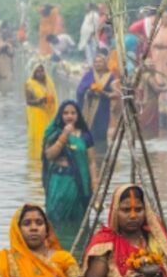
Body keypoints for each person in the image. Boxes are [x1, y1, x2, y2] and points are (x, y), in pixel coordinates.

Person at [41, 100, 98, 250]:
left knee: (78, 219)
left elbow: (91, 161)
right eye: (66, 113)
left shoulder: (85, 136)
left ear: (78, 115)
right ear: (61, 115)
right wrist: (64, 135)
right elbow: (49, 155)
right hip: (58, 183)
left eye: (73, 113)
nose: (69, 116)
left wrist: (94, 182)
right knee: (55, 218)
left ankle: (77, 249)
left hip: (79, 185)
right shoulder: (55, 133)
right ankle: (56, 248)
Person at [76, 50, 119, 147]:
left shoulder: (110, 77)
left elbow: (116, 94)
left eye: (100, 61)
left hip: (102, 110)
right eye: (95, 62)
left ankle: (101, 155)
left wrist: (103, 93)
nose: (97, 64)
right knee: (88, 134)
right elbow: (79, 91)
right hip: (88, 109)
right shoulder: (89, 75)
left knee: (101, 134)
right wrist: (88, 92)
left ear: (105, 63)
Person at [25, 62, 58, 158]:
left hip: (48, 113)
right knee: (38, 138)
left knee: (48, 137)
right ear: (33, 73)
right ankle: (36, 157)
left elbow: (54, 96)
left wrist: (50, 101)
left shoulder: (49, 82)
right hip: (36, 115)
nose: (40, 73)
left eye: (41, 71)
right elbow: (28, 101)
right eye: (37, 71)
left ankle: (47, 156)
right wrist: (40, 100)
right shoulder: (29, 84)